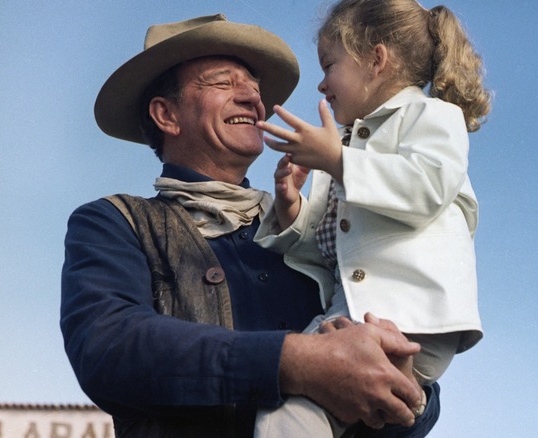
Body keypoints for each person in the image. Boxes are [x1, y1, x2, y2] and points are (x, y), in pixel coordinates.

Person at [60, 14, 441, 438]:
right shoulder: (114, 222)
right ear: (166, 114)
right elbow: (108, 347)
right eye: (223, 83)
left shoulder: (308, 229)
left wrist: (409, 393)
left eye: (255, 89)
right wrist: (294, 361)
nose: (252, 99)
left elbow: (399, 384)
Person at [252, 1, 491, 436]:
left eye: (329, 65)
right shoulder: (346, 145)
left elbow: (427, 188)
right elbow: (335, 254)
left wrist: (338, 161)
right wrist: (292, 211)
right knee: (301, 409)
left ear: (376, 60)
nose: (321, 85)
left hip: (410, 317)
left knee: (286, 408)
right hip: (364, 312)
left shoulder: (431, 116)